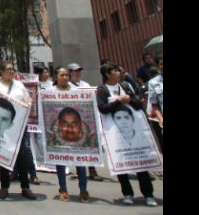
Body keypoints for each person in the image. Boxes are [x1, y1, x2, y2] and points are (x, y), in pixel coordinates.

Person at [96, 62, 157, 206]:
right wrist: (118, 101)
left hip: (135, 134)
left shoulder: (125, 86)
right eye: (115, 71)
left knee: (141, 163)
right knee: (122, 164)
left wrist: (130, 99)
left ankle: (148, 194)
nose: (119, 73)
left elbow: (138, 104)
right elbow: (102, 108)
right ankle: (127, 194)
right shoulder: (102, 90)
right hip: (116, 135)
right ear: (107, 74)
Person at [0, 60, 36, 200]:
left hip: (19, 126)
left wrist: (28, 103)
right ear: (1, 71)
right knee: (4, 156)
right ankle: (4, 187)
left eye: (13, 69)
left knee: (21, 157)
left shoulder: (19, 85)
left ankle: (25, 187)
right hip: (3, 127)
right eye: (9, 69)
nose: (12, 72)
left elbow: (27, 99)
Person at [48, 66, 90, 203]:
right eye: (62, 75)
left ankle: (83, 189)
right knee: (60, 162)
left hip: (77, 133)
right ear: (56, 77)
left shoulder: (77, 91)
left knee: (80, 162)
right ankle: (63, 188)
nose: (65, 77)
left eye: (67, 75)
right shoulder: (50, 92)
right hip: (59, 134)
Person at [67, 63, 104, 182]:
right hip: (74, 120)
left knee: (90, 145)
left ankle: (92, 170)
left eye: (79, 71)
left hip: (87, 119)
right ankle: (80, 171)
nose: (77, 73)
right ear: (70, 73)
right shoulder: (67, 86)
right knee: (77, 146)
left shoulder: (85, 84)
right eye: (75, 71)